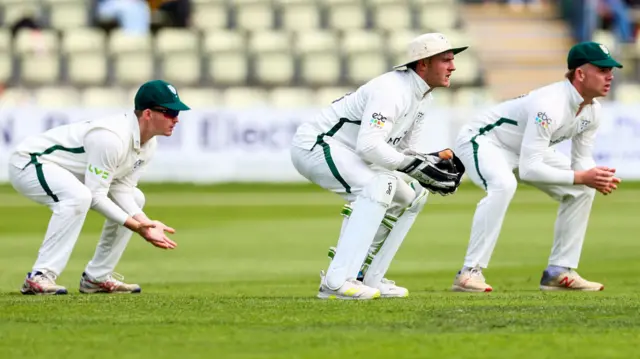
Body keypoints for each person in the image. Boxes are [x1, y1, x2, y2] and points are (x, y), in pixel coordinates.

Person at [290, 33, 468, 300]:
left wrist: (429, 161)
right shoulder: (392, 90)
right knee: (377, 186)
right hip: (318, 145)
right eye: (445, 60)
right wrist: (414, 166)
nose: (452, 67)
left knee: (412, 196)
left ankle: (368, 276)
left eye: (452, 60)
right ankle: (337, 281)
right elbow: (370, 147)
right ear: (423, 64)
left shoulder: (422, 97)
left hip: (350, 153)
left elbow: (398, 151)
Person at [451, 42, 622, 293]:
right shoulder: (549, 105)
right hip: (484, 140)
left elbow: (582, 160)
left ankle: (559, 271)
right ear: (580, 74)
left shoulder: (592, 111)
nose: (610, 76)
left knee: (583, 189)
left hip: (525, 149)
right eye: (602, 70)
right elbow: (529, 169)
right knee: (503, 185)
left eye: (611, 70)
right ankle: (469, 272)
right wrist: (583, 176)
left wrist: (593, 177)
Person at [8, 79, 190, 295]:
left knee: (136, 198)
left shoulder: (149, 143)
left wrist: (145, 223)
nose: (176, 119)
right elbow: (96, 195)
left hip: (67, 172)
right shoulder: (111, 138)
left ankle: (97, 277)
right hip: (31, 161)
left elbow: (121, 187)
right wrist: (136, 226)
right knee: (79, 197)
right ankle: (40, 276)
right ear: (148, 114)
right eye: (169, 112)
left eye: (177, 113)